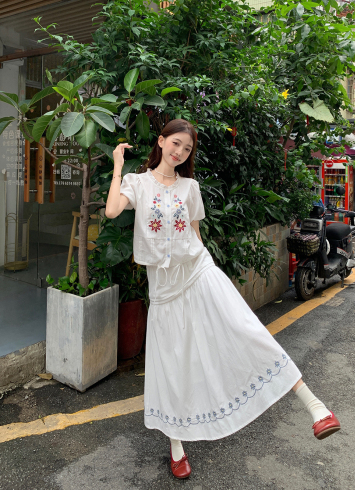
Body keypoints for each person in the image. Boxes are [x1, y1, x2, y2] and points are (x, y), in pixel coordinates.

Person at [105, 119, 340, 480]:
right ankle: (176, 445)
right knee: (172, 362)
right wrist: (118, 166)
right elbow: (111, 211)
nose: (180, 152)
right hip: (165, 288)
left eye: (186, 149)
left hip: (199, 272)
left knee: (244, 328)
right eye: (176, 144)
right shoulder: (138, 183)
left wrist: (212, 275)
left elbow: (196, 235)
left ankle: (317, 407)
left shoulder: (190, 187)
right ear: (162, 141)